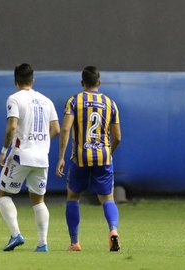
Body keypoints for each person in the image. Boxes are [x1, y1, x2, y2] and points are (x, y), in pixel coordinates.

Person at [56, 66, 122, 252]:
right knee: (107, 198)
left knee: (73, 197)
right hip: (103, 157)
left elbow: (67, 129)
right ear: (99, 83)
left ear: (82, 83)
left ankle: (74, 242)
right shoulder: (111, 103)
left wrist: (61, 157)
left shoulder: (74, 101)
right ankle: (113, 231)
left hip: (80, 157)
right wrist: (109, 152)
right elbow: (118, 137)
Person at [0, 63, 59, 252]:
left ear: (16, 81)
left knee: (3, 194)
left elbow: (12, 127)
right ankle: (42, 244)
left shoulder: (14, 98)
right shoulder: (46, 100)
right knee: (38, 200)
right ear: (33, 80)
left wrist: (3, 150)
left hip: (20, 155)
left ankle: (16, 235)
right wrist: (42, 142)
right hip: (42, 158)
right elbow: (56, 128)